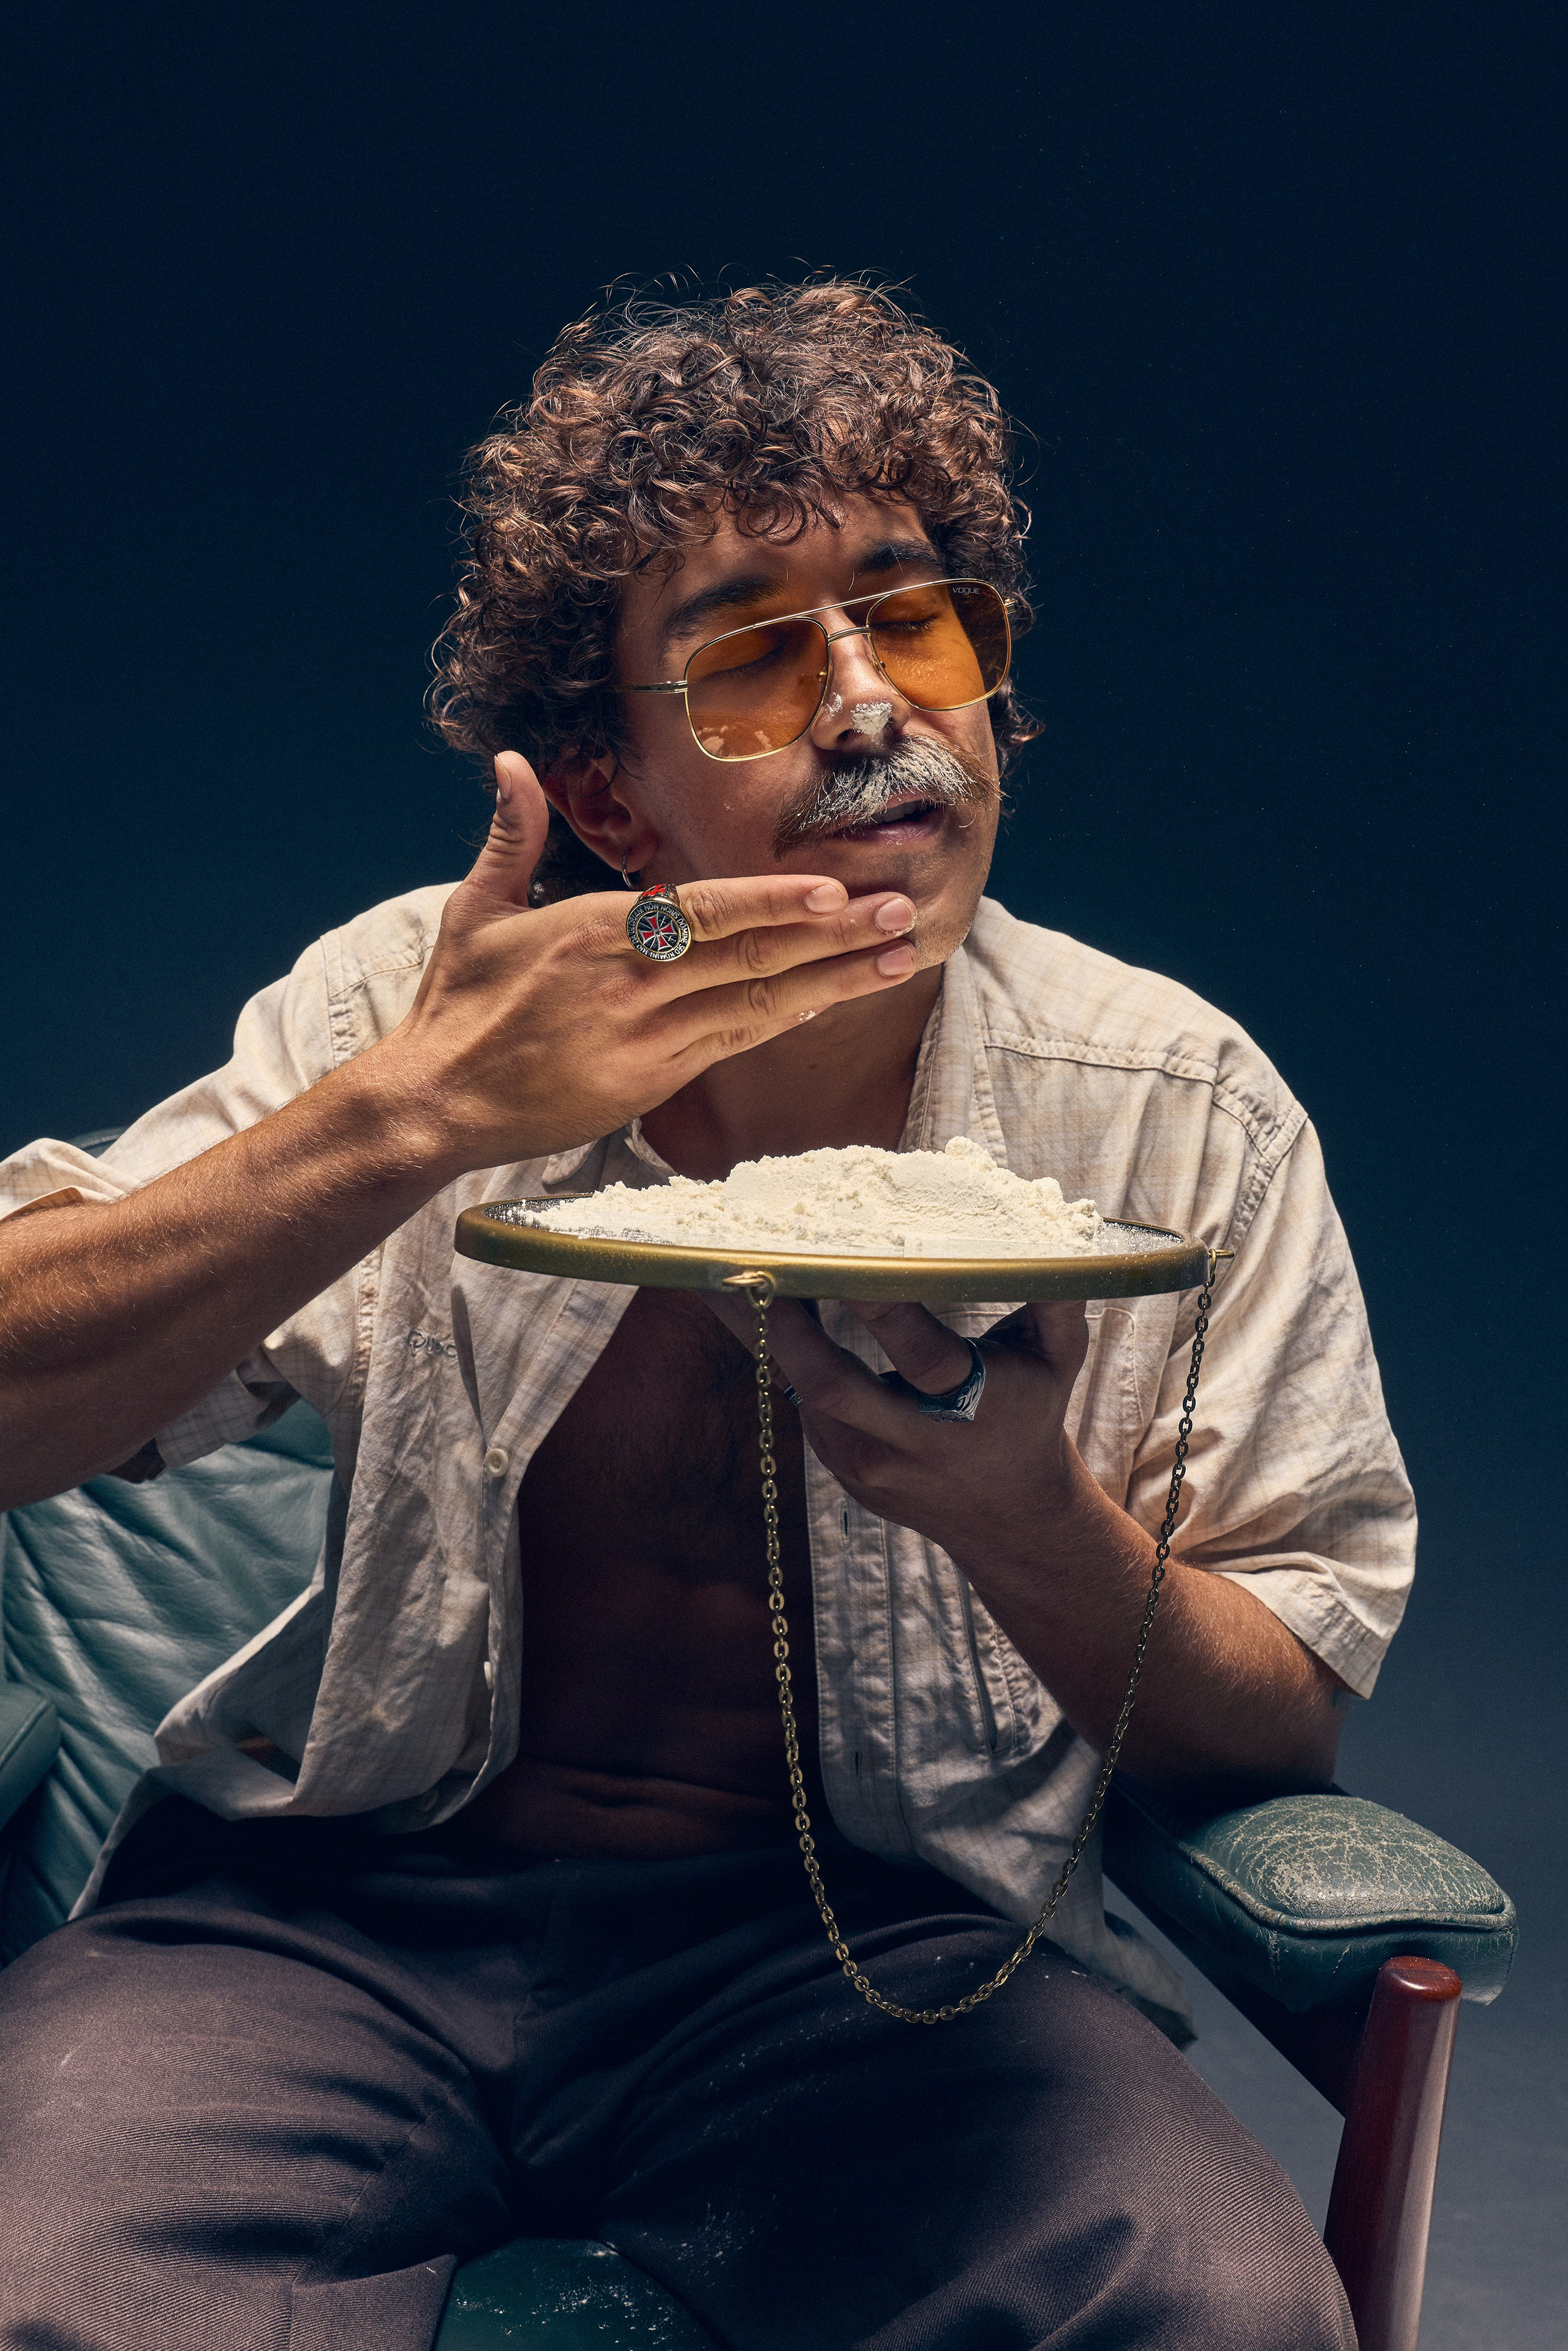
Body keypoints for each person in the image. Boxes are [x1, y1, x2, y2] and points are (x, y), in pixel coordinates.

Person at [0, 282, 1410, 2350]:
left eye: (915, 623)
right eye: (752, 657)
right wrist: (409, 1117)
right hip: (327, 1927)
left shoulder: (1176, 1106)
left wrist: (1028, 1515)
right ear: (609, 798)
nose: (867, 707)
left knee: (1213, 2306)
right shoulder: (422, 1007)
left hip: (875, 1974)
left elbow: (1284, 1710)